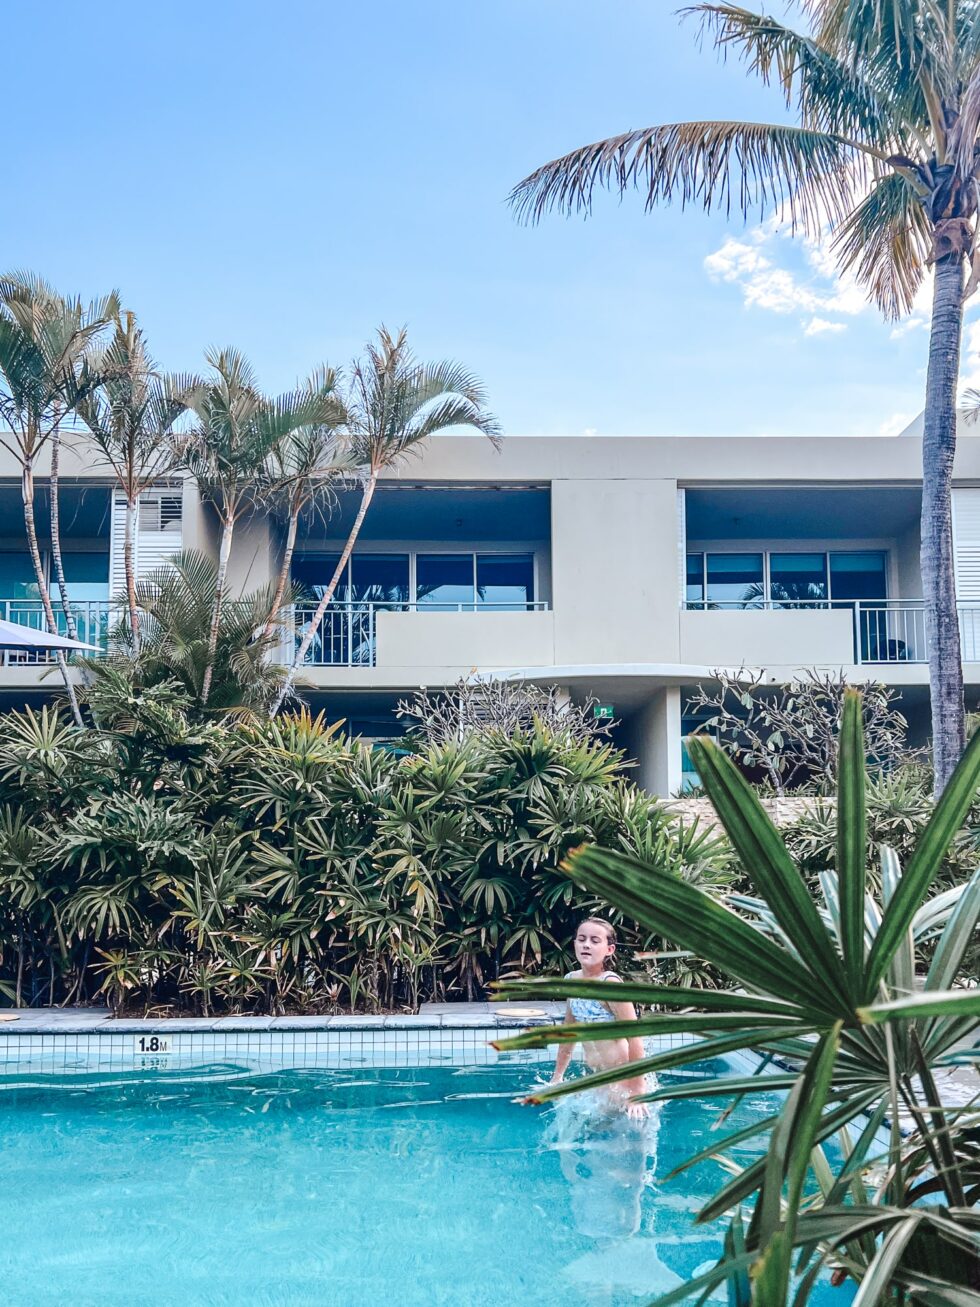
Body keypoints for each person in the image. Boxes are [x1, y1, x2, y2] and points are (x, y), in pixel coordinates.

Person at [547, 917, 651, 1121]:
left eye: (595, 940)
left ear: (609, 950)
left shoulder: (610, 985)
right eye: (581, 939)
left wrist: (637, 1092)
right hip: (598, 1080)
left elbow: (635, 1038)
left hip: (622, 1082)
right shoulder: (571, 981)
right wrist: (557, 1077)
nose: (586, 944)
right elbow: (568, 1033)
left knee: (621, 1146)